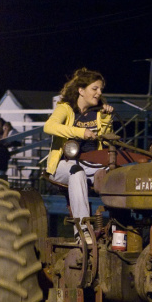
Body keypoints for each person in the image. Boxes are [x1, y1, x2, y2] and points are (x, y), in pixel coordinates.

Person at [43, 68, 114, 237]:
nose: (99, 93)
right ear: (81, 90)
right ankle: (82, 233)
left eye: (100, 89)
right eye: (94, 88)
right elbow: (49, 126)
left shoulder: (97, 113)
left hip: (91, 164)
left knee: (118, 174)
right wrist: (80, 132)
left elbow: (106, 141)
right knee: (77, 173)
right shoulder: (66, 108)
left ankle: (118, 229)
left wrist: (105, 119)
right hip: (64, 165)